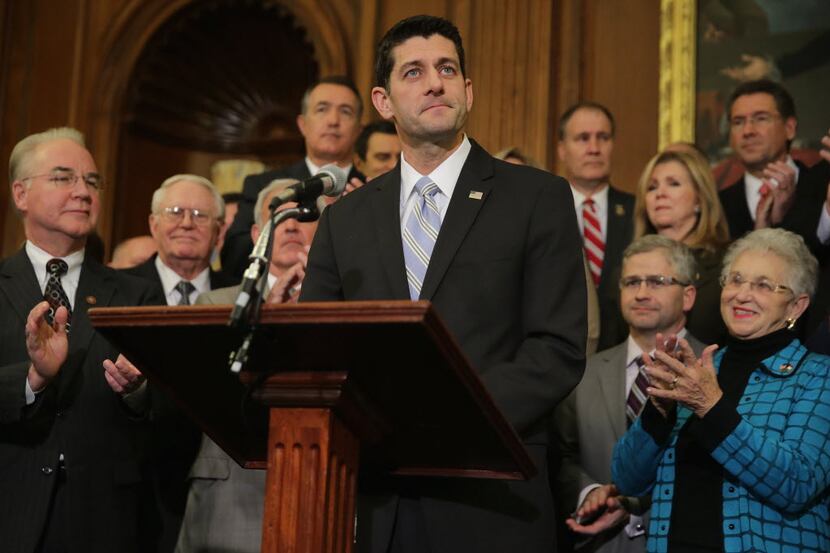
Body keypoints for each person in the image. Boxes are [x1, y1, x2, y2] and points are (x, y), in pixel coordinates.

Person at [300, 15, 586, 553]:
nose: (435, 82)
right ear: (383, 103)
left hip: (491, 496)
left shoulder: (537, 198)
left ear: (468, 90)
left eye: (447, 69)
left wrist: (447, 417)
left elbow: (557, 349)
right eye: (414, 71)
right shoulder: (345, 219)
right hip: (376, 504)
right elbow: (320, 349)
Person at [611, 228, 830, 552]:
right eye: (735, 279)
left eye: (763, 285)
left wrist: (711, 407)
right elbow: (627, 480)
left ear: (795, 307)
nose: (741, 294)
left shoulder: (818, 375)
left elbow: (797, 484)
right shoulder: (694, 370)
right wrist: (658, 413)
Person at [0, 127, 164, 552]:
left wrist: (138, 392)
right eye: (63, 178)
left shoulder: (137, 294)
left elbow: (168, 413)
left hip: (105, 516)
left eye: (92, 181)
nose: (83, 191)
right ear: (21, 194)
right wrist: (33, 378)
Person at [176, 178, 315, 553]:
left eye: (302, 215)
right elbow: (205, 394)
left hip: (317, 491)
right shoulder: (213, 303)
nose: (289, 225)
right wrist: (267, 316)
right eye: (279, 216)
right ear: (257, 234)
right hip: (229, 496)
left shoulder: (345, 305)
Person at [556, 235, 704, 553]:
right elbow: (562, 456)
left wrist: (636, 502)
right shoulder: (584, 372)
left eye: (656, 282)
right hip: (598, 543)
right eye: (631, 281)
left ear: (688, 295)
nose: (641, 293)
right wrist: (589, 493)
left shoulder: (714, 370)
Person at [125, 174, 236, 553]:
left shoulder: (244, 295)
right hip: (134, 484)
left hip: (222, 491)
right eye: (174, 212)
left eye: (200, 216)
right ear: (153, 224)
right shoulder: (115, 291)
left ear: (220, 233)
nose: (186, 222)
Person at [221, 76, 365, 278]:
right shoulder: (263, 185)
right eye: (322, 109)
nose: (333, 121)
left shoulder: (372, 190)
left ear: (359, 129)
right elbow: (234, 257)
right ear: (302, 124)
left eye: (345, 111)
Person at [558, 101, 635, 350]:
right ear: (562, 149)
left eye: (603, 137)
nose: (594, 148)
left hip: (625, 354)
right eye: (582, 138)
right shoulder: (543, 212)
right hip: (562, 353)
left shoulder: (640, 211)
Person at [633, 149, 731, 345]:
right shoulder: (627, 268)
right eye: (652, 187)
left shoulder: (728, 266)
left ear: (699, 199)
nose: (660, 194)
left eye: (673, 184)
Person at [718, 79, 820, 241]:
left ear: (789, 128)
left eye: (761, 118)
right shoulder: (717, 207)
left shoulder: (820, 187)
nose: (748, 131)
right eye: (738, 122)